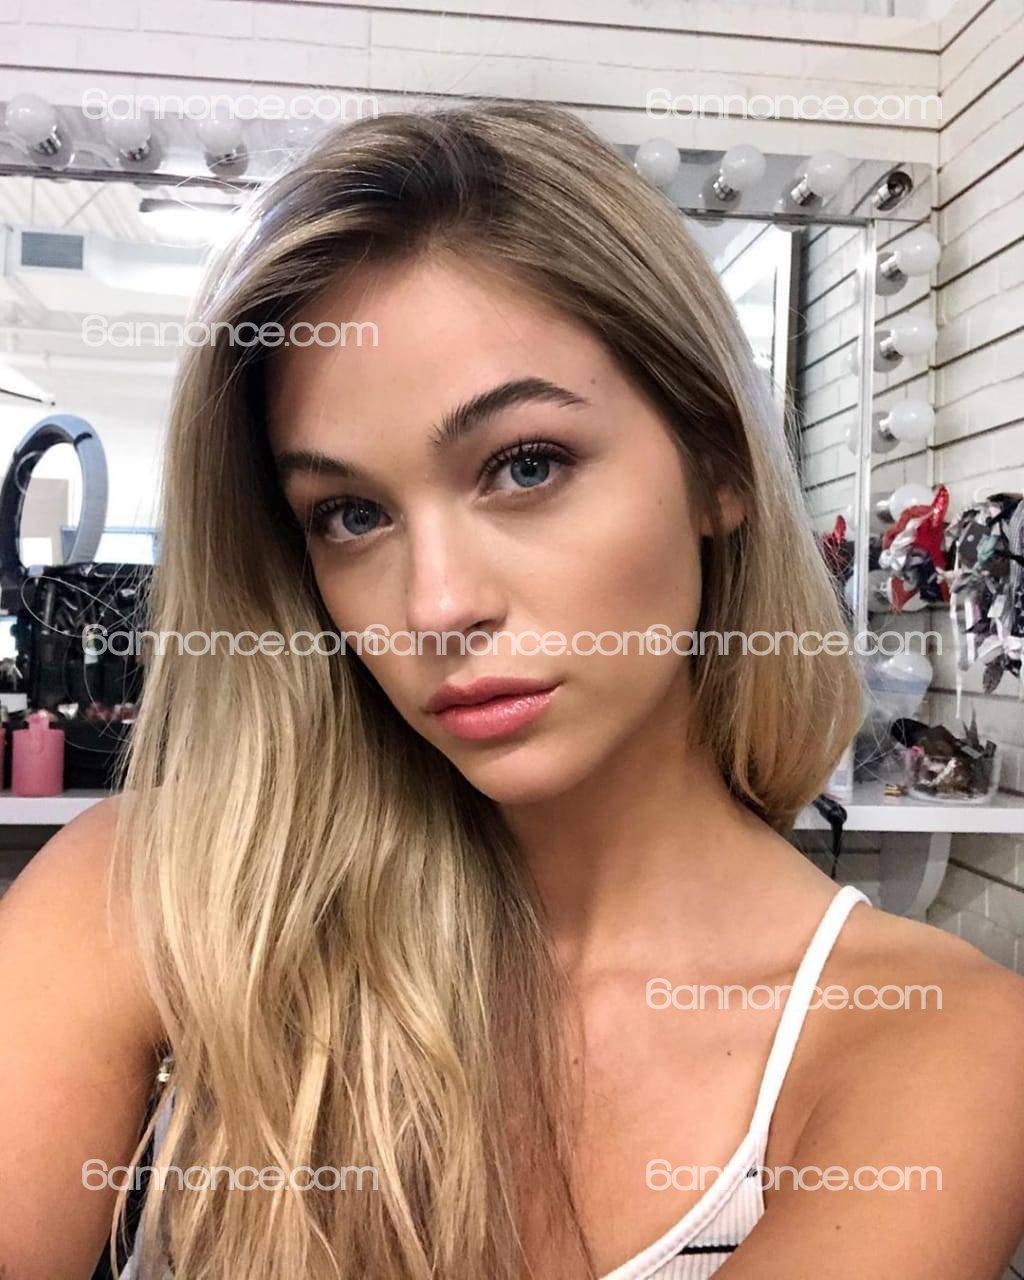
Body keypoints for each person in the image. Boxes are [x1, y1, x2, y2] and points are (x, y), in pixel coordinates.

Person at [2, 100, 1023, 1280]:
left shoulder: (936, 1037)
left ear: (715, 464)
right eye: (351, 513)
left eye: (524, 465)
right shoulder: (148, 899)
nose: (435, 605)